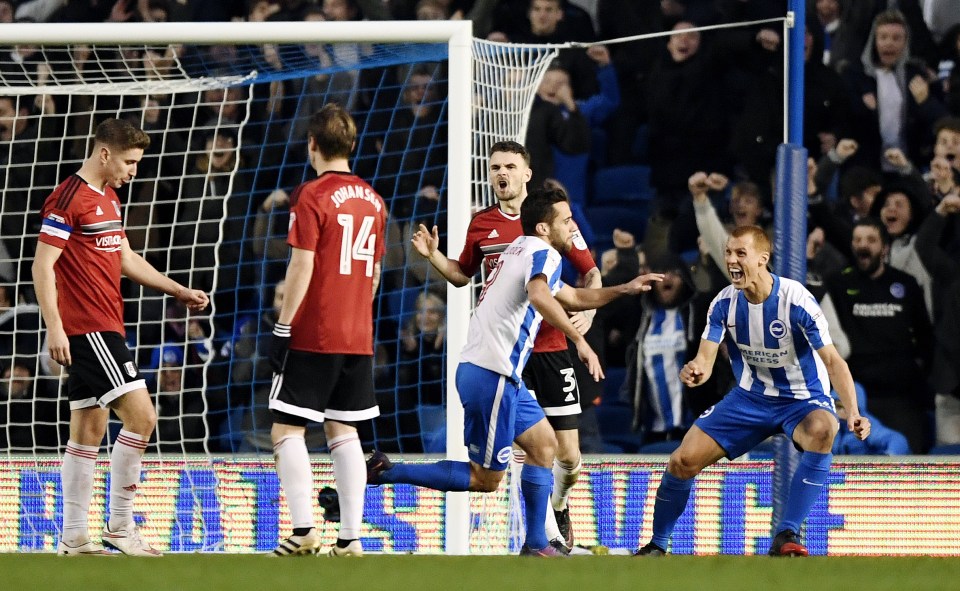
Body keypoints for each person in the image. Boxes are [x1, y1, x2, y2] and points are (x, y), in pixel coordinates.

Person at [367, 187, 663, 555]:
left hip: (498, 375)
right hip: (489, 375)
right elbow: (541, 297)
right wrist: (580, 341)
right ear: (543, 227)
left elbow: (570, 296)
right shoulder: (543, 253)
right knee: (485, 479)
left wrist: (624, 288)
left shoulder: (521, 249)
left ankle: (538, 544)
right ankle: (387, 471)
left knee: (544, 446)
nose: (573, 226)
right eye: (566, 220)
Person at [409, 140, 602, 550]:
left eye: (510, 166)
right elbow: (461, 276)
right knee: (531, 449)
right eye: (496, 166)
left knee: (568, 455)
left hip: (551, 348)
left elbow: (590, 274)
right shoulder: (481, 224)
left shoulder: (552, 220)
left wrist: (588, 318)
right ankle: (545, 539)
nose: (501, 173)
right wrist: (433, 256)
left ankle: (559, 507)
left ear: (526, 174)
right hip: (504, 353)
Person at [634, 226, 870, 558]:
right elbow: (705, 357)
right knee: (682, 460)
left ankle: (787, 533)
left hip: (801, 399)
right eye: (729, 253)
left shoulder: (796, 299)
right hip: (750, 398)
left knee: (824, 429)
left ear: (763, 259)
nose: (731, 260)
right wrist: (696, 371)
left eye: (740, 254)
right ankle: (657, 546)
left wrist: (854, 411)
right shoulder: (723, 304)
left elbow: (832, 360)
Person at [32, 118, 209, 556]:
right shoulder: (68, 197)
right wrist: (54, 325)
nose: (134, 171)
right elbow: (41, 266)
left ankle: (74, 535)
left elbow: (125, 257)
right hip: (88, 328)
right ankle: (121, 526)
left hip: (105, 324)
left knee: (89, 430)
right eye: (130, 162)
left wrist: (178, 289)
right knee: (143, 418)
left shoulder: (108, 199)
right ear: (105, 154)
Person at [268, 103, 387, 557]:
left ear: (312, 143)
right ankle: (351, 538)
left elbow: (302, 264)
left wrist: (283, 326)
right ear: (352, 145)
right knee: (344, 432)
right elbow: (374, 275)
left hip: (314, 331)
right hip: (358, 335)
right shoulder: (375, 200)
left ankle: (302, 531)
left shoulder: (312, 195)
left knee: (286, 429)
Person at [820, 218, 933, 453]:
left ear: (885, 248)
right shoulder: (837, 284)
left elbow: (925, 339)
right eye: (858, 240)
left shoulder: (906, 284)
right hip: (856, 396)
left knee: (910, 471)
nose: (863, 245)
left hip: (901, 397)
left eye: (871, 240)